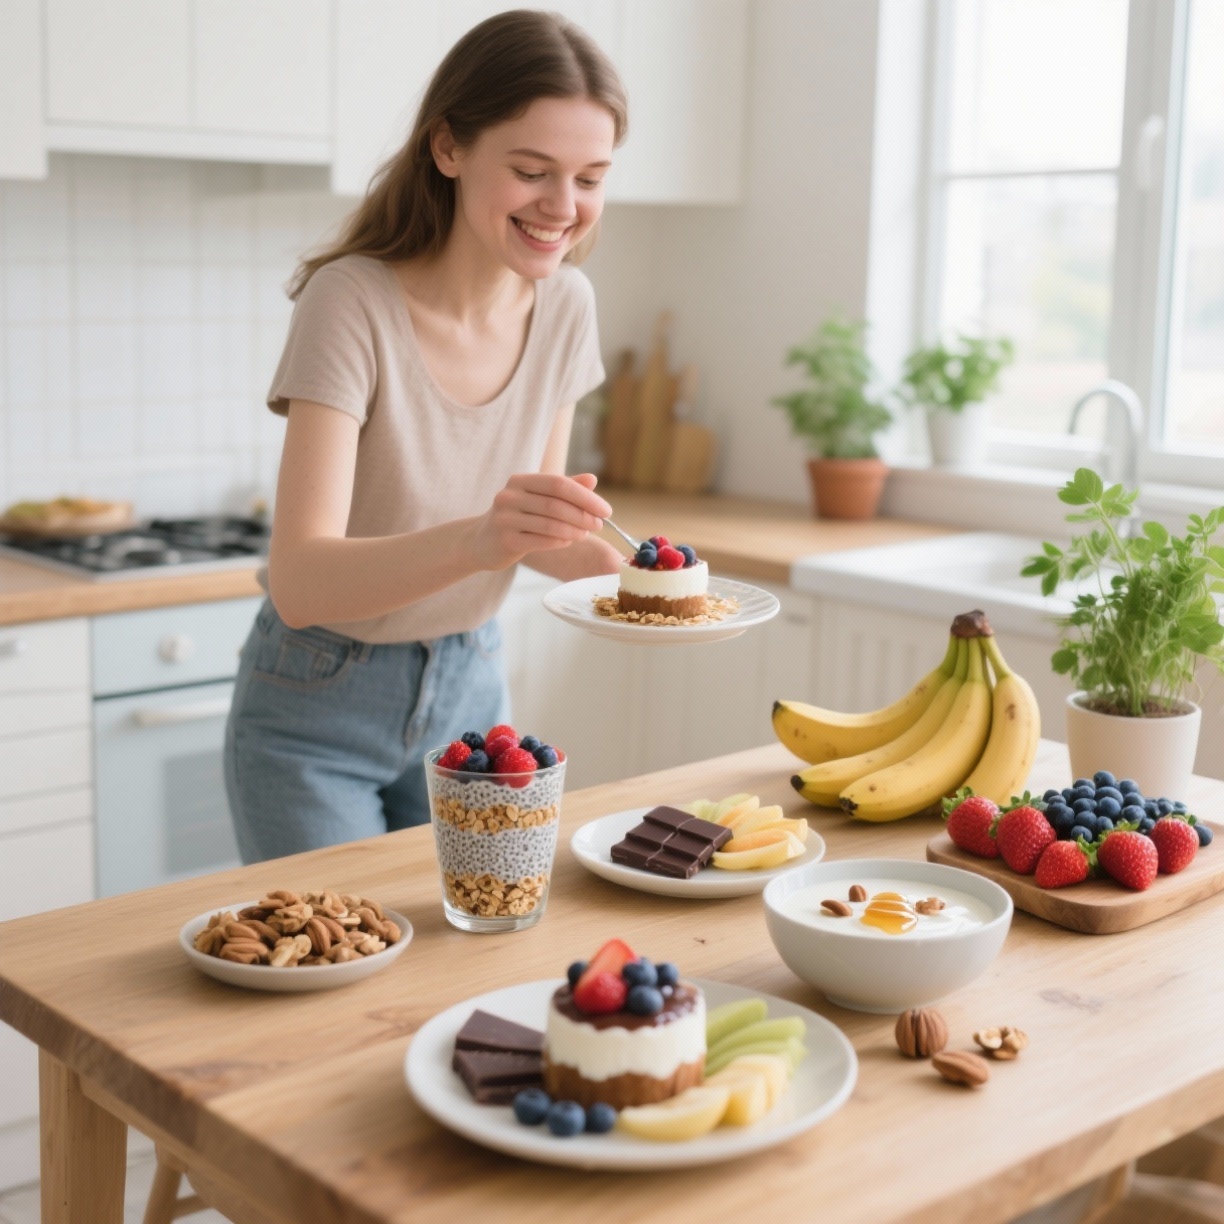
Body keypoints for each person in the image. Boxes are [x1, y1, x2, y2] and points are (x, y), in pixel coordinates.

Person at [224, 9, 628, 864]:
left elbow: (531, 532)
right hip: (316, 705)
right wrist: (489, 538)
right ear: (448, 149)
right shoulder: (352, 301)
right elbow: (300, 579)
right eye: (532, 171)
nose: (564, 208)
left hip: (473, 689)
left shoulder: (567, 305)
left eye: (591, 178)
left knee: (467, 963)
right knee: (335, 974)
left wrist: (637, 580)